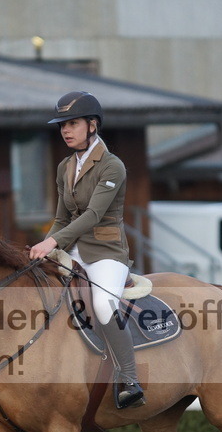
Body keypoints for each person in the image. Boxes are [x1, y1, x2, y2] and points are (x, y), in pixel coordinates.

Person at [29, 91, 145, 409]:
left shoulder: (112, 166)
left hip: (106, 253)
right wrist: (43, 249)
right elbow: (60, 218)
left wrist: (53, 242)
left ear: (92, 125)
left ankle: (130, 379)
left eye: (73, 123)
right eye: (62, 125)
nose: (66, 130)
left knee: (105, 304)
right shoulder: (65, 167)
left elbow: (93, 215)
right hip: (73, 251)